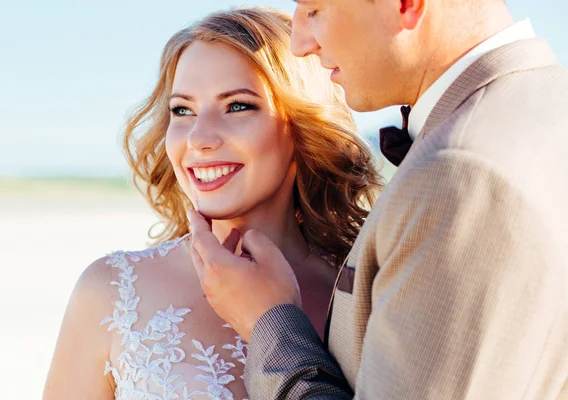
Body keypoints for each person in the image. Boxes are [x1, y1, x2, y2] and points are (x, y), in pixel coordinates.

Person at [188, 0, 568, 398]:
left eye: (314, 9)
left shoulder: (459, 174)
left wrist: (270, 322)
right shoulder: (547, 104)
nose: (299, 43)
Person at [43, 7, 383, 399]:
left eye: (238, 106)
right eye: (182, 110)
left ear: (303, 125)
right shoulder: (111, 292)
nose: (199, 138)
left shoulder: (366, 293)